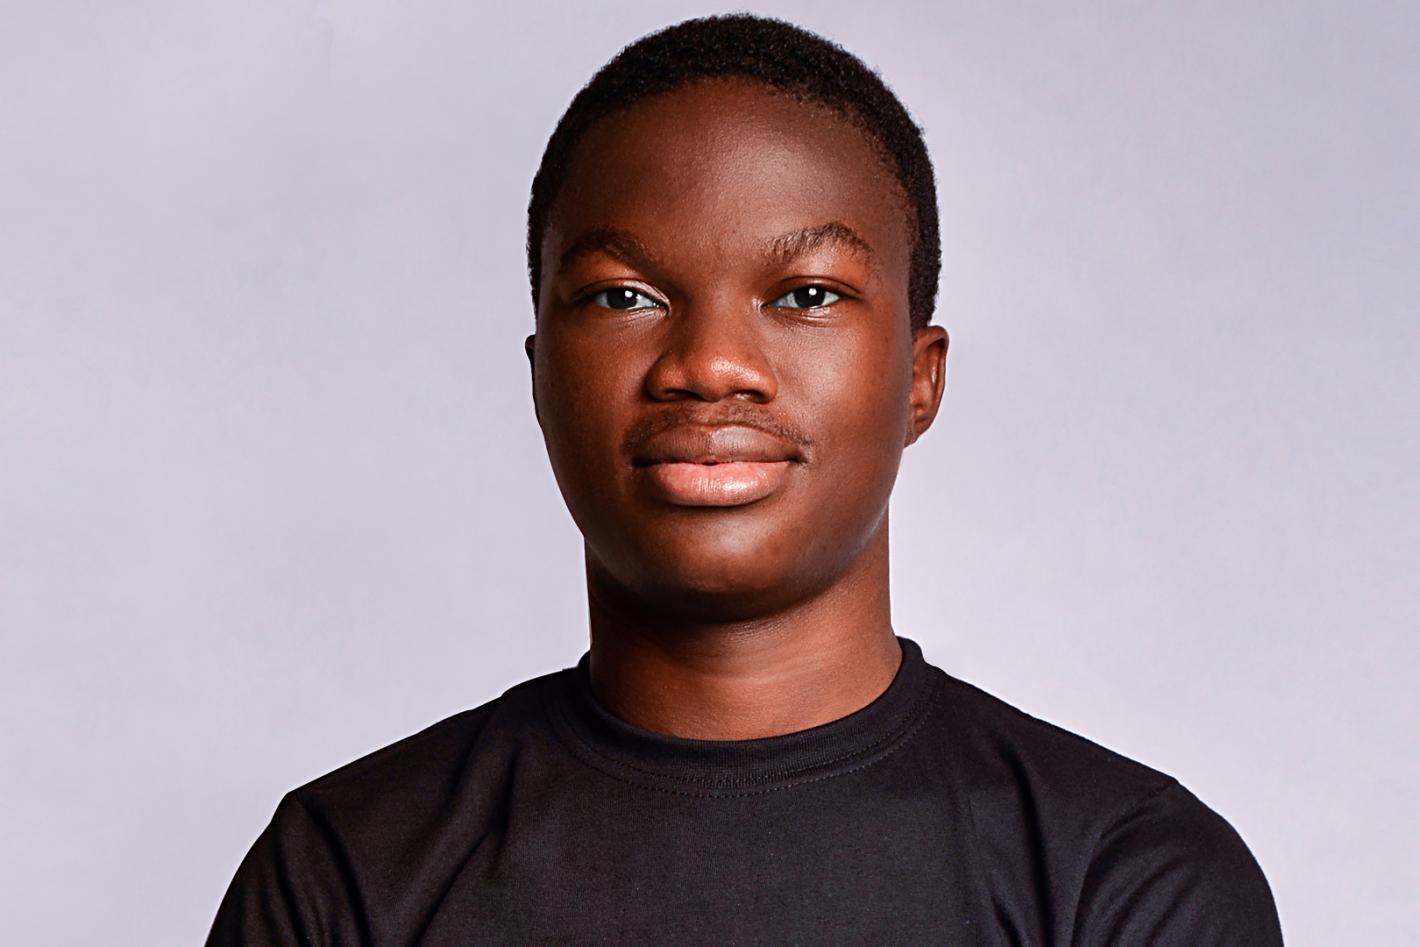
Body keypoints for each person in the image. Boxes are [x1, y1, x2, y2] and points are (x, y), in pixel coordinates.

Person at [207, 14, 1283, 945]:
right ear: (541, 377)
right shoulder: (347, 875)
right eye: (624, 296)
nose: (710, 364)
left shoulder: (1122, 877)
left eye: (806, 294)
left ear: (918, 378)